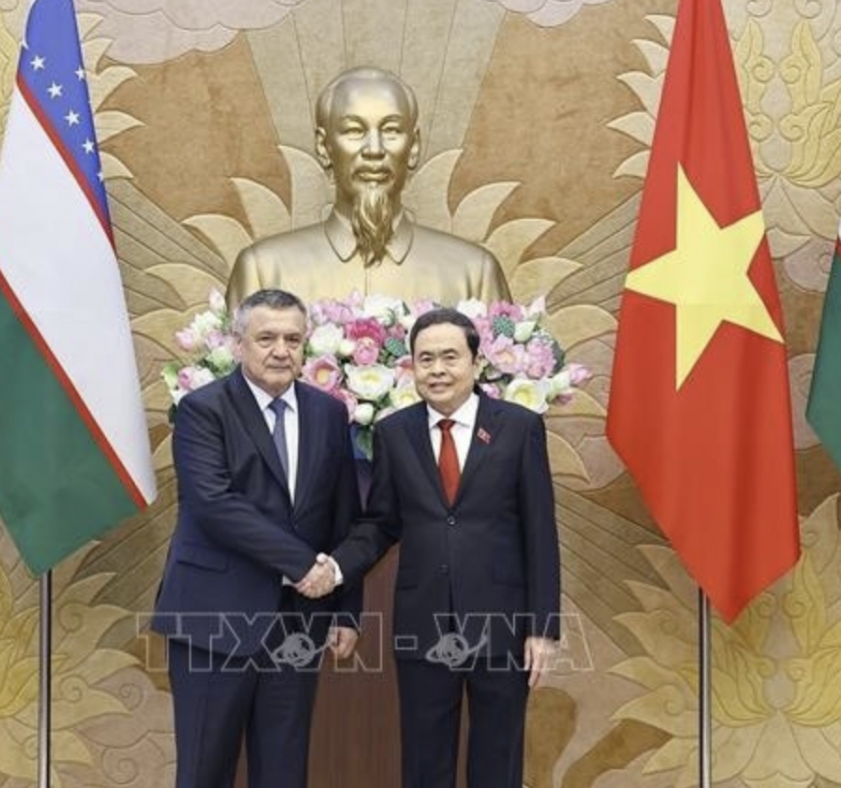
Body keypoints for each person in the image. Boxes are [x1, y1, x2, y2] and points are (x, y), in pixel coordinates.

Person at [300, 308, 560, 788]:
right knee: (424, 761)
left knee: (498, 761)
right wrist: (336, 569)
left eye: (449, 357)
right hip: (424, 623)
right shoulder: (395, 433)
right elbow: (380, 524)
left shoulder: (519, 427)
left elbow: (540, 533)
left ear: (476, 363)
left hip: (502, 624)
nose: (437, 370)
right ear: (411, 368)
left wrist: (543, 627)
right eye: (425, 360)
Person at [151, 289, 361, 788]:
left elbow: (343, 515)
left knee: (284, 771)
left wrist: (347, 608)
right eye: (266, 338)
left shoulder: (328, 413)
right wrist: (303, 565)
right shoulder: (203, 410)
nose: (280, 350)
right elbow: (215, 504)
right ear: (238, 343)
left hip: (298, 625)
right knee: (205, 769)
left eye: (293, 338)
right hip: (213, 618)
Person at [225, 67, 511, 309]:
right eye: (354, 131)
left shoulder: (474, 274)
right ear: (324, 147)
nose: (374, 150)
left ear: (413, 147)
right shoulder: (263, 270)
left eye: (391, 130)